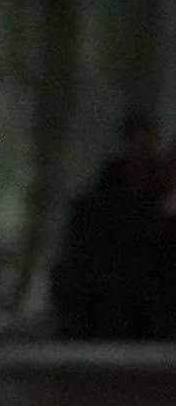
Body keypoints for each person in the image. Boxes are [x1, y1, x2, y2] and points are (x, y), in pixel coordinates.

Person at [52, 110, 164, 338]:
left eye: (145, 142)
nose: (139, 149)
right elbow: (95, 216)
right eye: (133, 141)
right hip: (113, 253)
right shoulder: (111, 176)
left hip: (151, 255)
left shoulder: (162, 177)